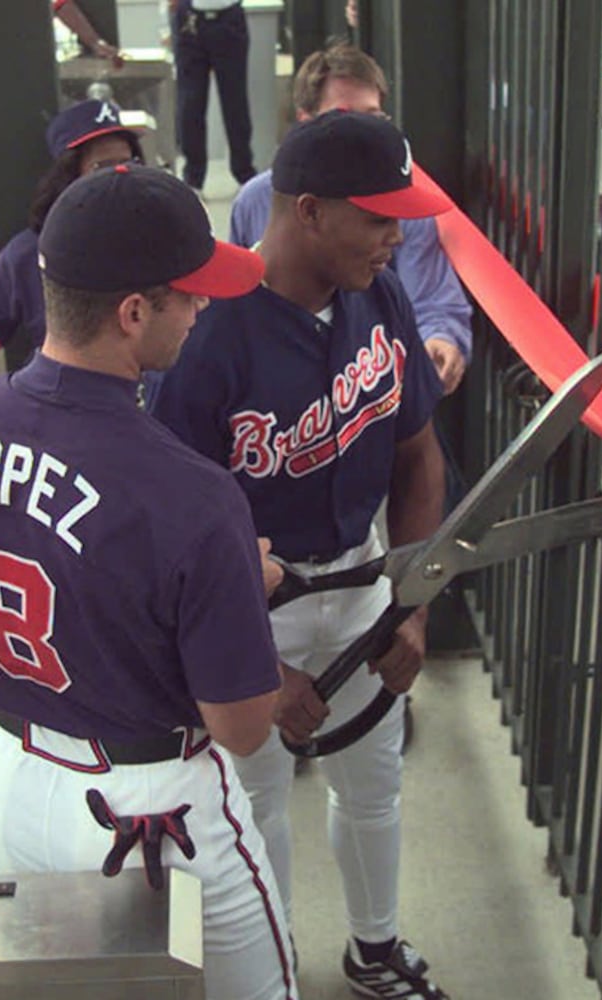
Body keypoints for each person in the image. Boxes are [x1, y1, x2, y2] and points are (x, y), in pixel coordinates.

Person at [0, 164, 296, 1000]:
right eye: (188, 295)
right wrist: (243, 589)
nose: (201, 309)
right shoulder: (192, 493)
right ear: (132, 313)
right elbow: (243, 729)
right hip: (146, 806)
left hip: (5, 773)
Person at [150, 111, 452, 999]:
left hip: (361, 577)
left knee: (374, 779)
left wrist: (412, 602)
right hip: (249, 608)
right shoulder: (200, 332)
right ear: (309, 211)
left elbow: (418, 453)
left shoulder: (378, 295)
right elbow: (171, 530)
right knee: (255, 800)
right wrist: (246, 663)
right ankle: (271, 971)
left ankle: (373, 949)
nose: (397, 238)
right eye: (378, 217)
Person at [230, 43, 472, 395]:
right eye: (343, 116)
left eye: (372, 116)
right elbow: (237, 302)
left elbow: (433, 296)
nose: (394, 236)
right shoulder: (253, 202)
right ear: (306, 120)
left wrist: (441, 338)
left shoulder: (404, 227)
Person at [0, 98, 146, 403]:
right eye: (101, 165)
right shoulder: (30, 251)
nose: (120, 172)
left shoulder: (158, 234)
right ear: (69, 175)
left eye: (128, 162)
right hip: (68, 404)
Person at [171, 0, 255, 193]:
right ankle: (193, 176)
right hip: (189, 17)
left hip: (228, 15)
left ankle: (243, 171)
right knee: (190, 104)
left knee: (235, 100)